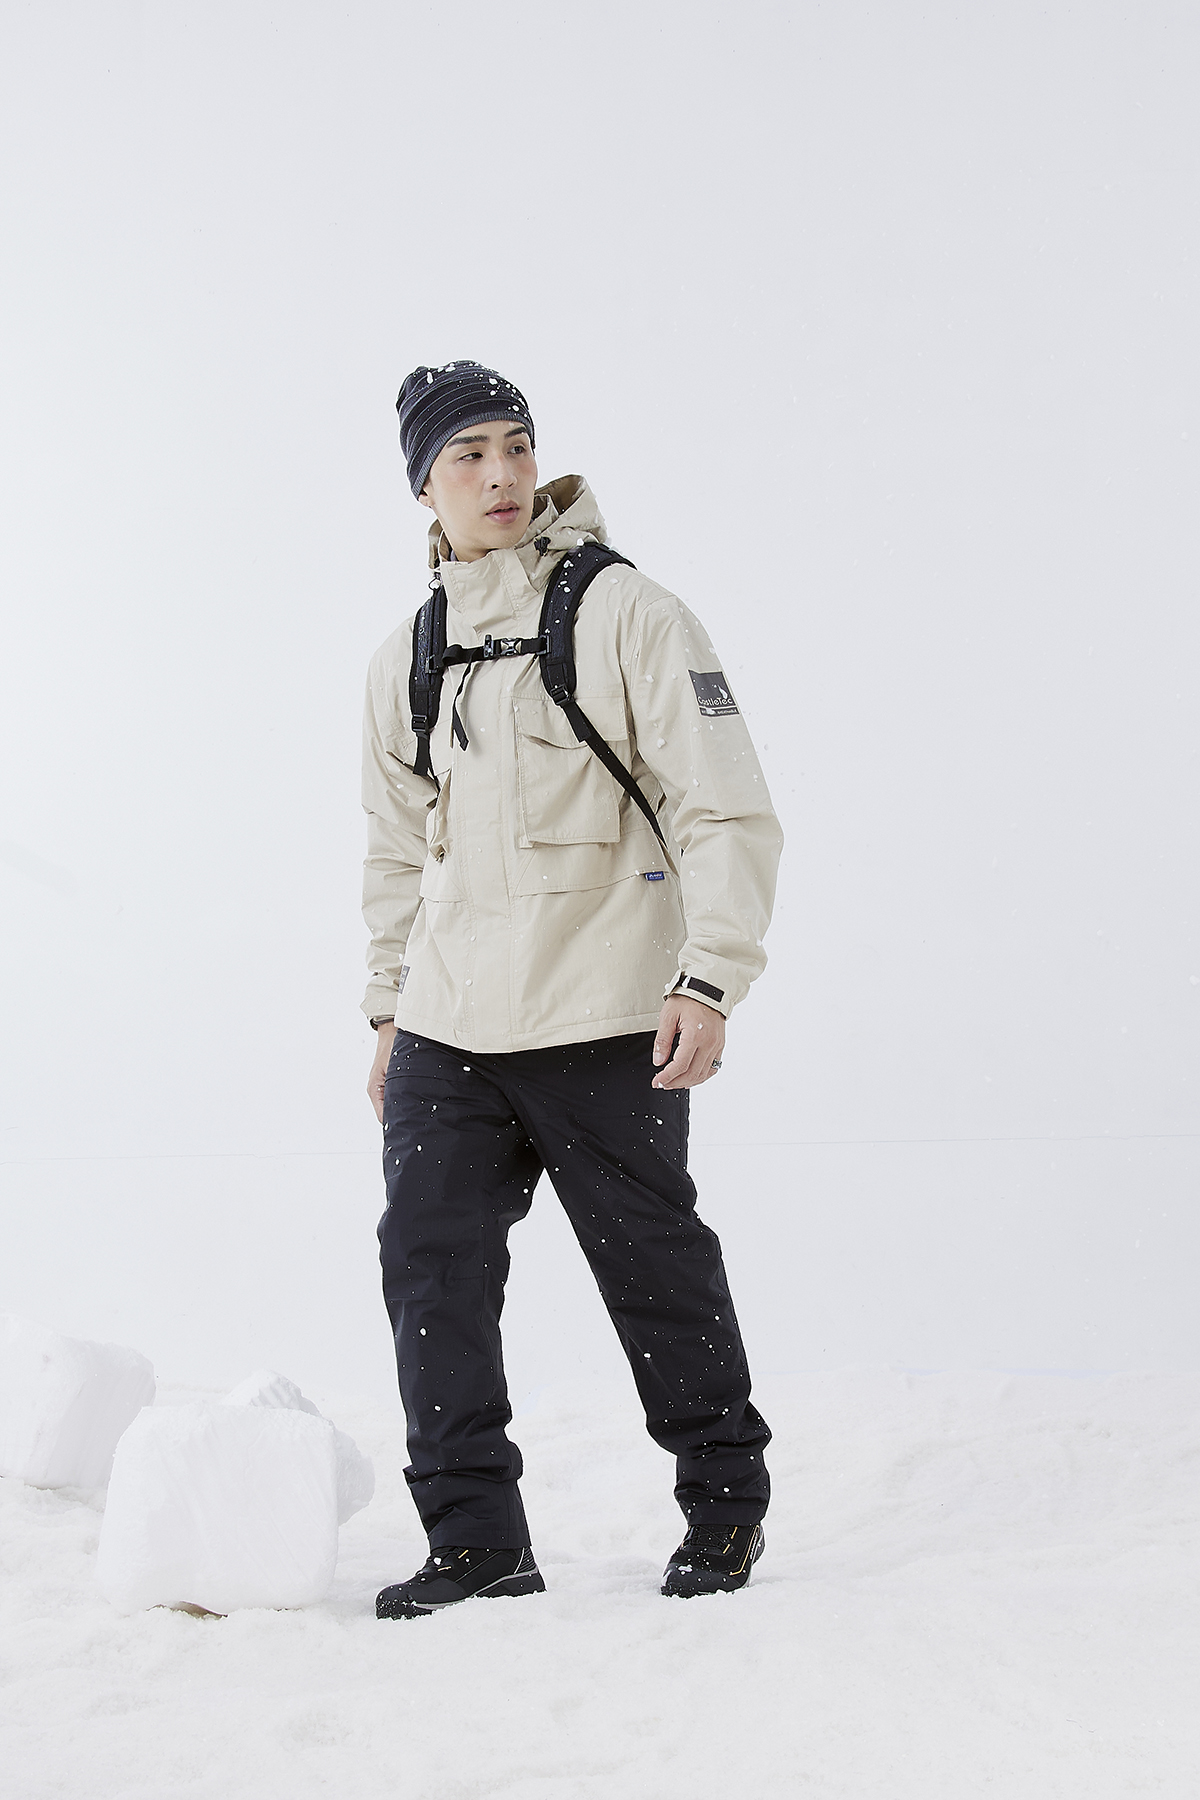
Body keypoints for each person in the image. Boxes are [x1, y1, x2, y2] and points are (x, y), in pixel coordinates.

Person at [362, 360, 783, 1619]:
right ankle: (476, 1542)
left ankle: (724, 1509)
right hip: (449, 1025)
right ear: (423, 485)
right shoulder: (407, 655)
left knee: (653, 1268)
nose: (501, 474)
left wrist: (709, 978)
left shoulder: (629, 614)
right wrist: (388, 1009)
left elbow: (725, 810)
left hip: (606, 1010)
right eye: (468, 454)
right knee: (428, 1273)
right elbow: (393, 849)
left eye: (516, 444)